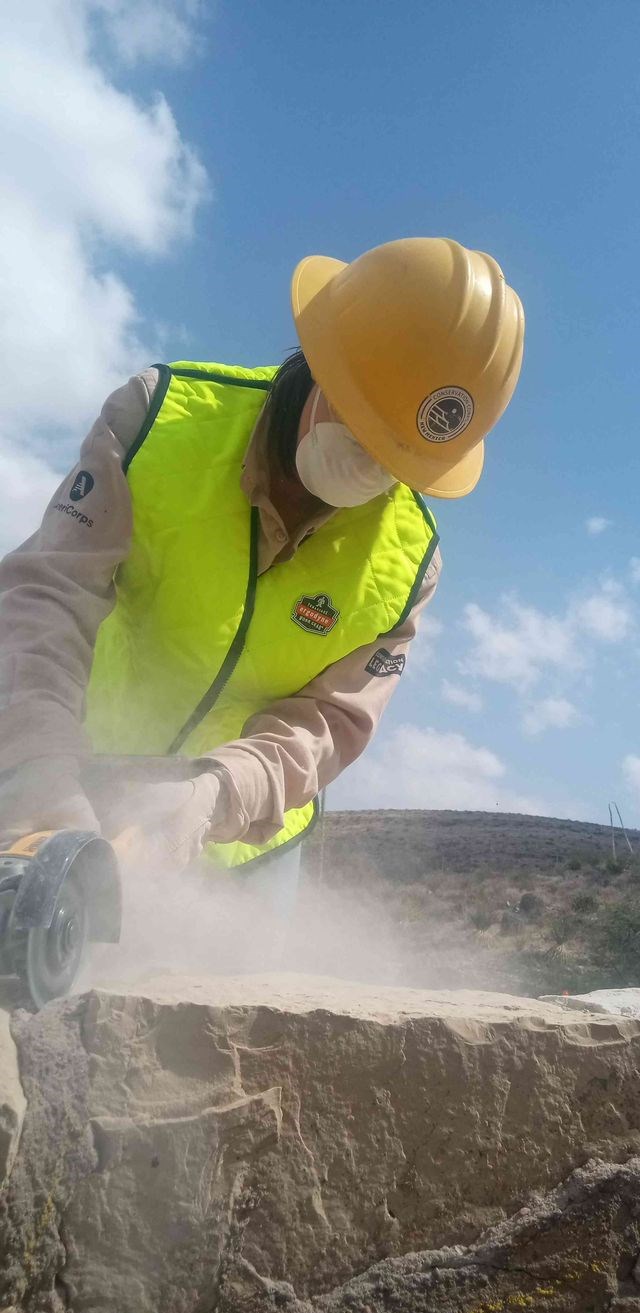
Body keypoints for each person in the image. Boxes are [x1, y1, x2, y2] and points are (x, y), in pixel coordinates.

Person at [0, 237, 524, 875]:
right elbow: (50, 594)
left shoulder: (410, 563)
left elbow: (330, 718)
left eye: (396, 459)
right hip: (66, 769)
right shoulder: (157, 421)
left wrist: (215, 795)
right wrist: (35, 757)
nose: (368, 467)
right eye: (359, 425)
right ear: (319, 362)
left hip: (239, 840)